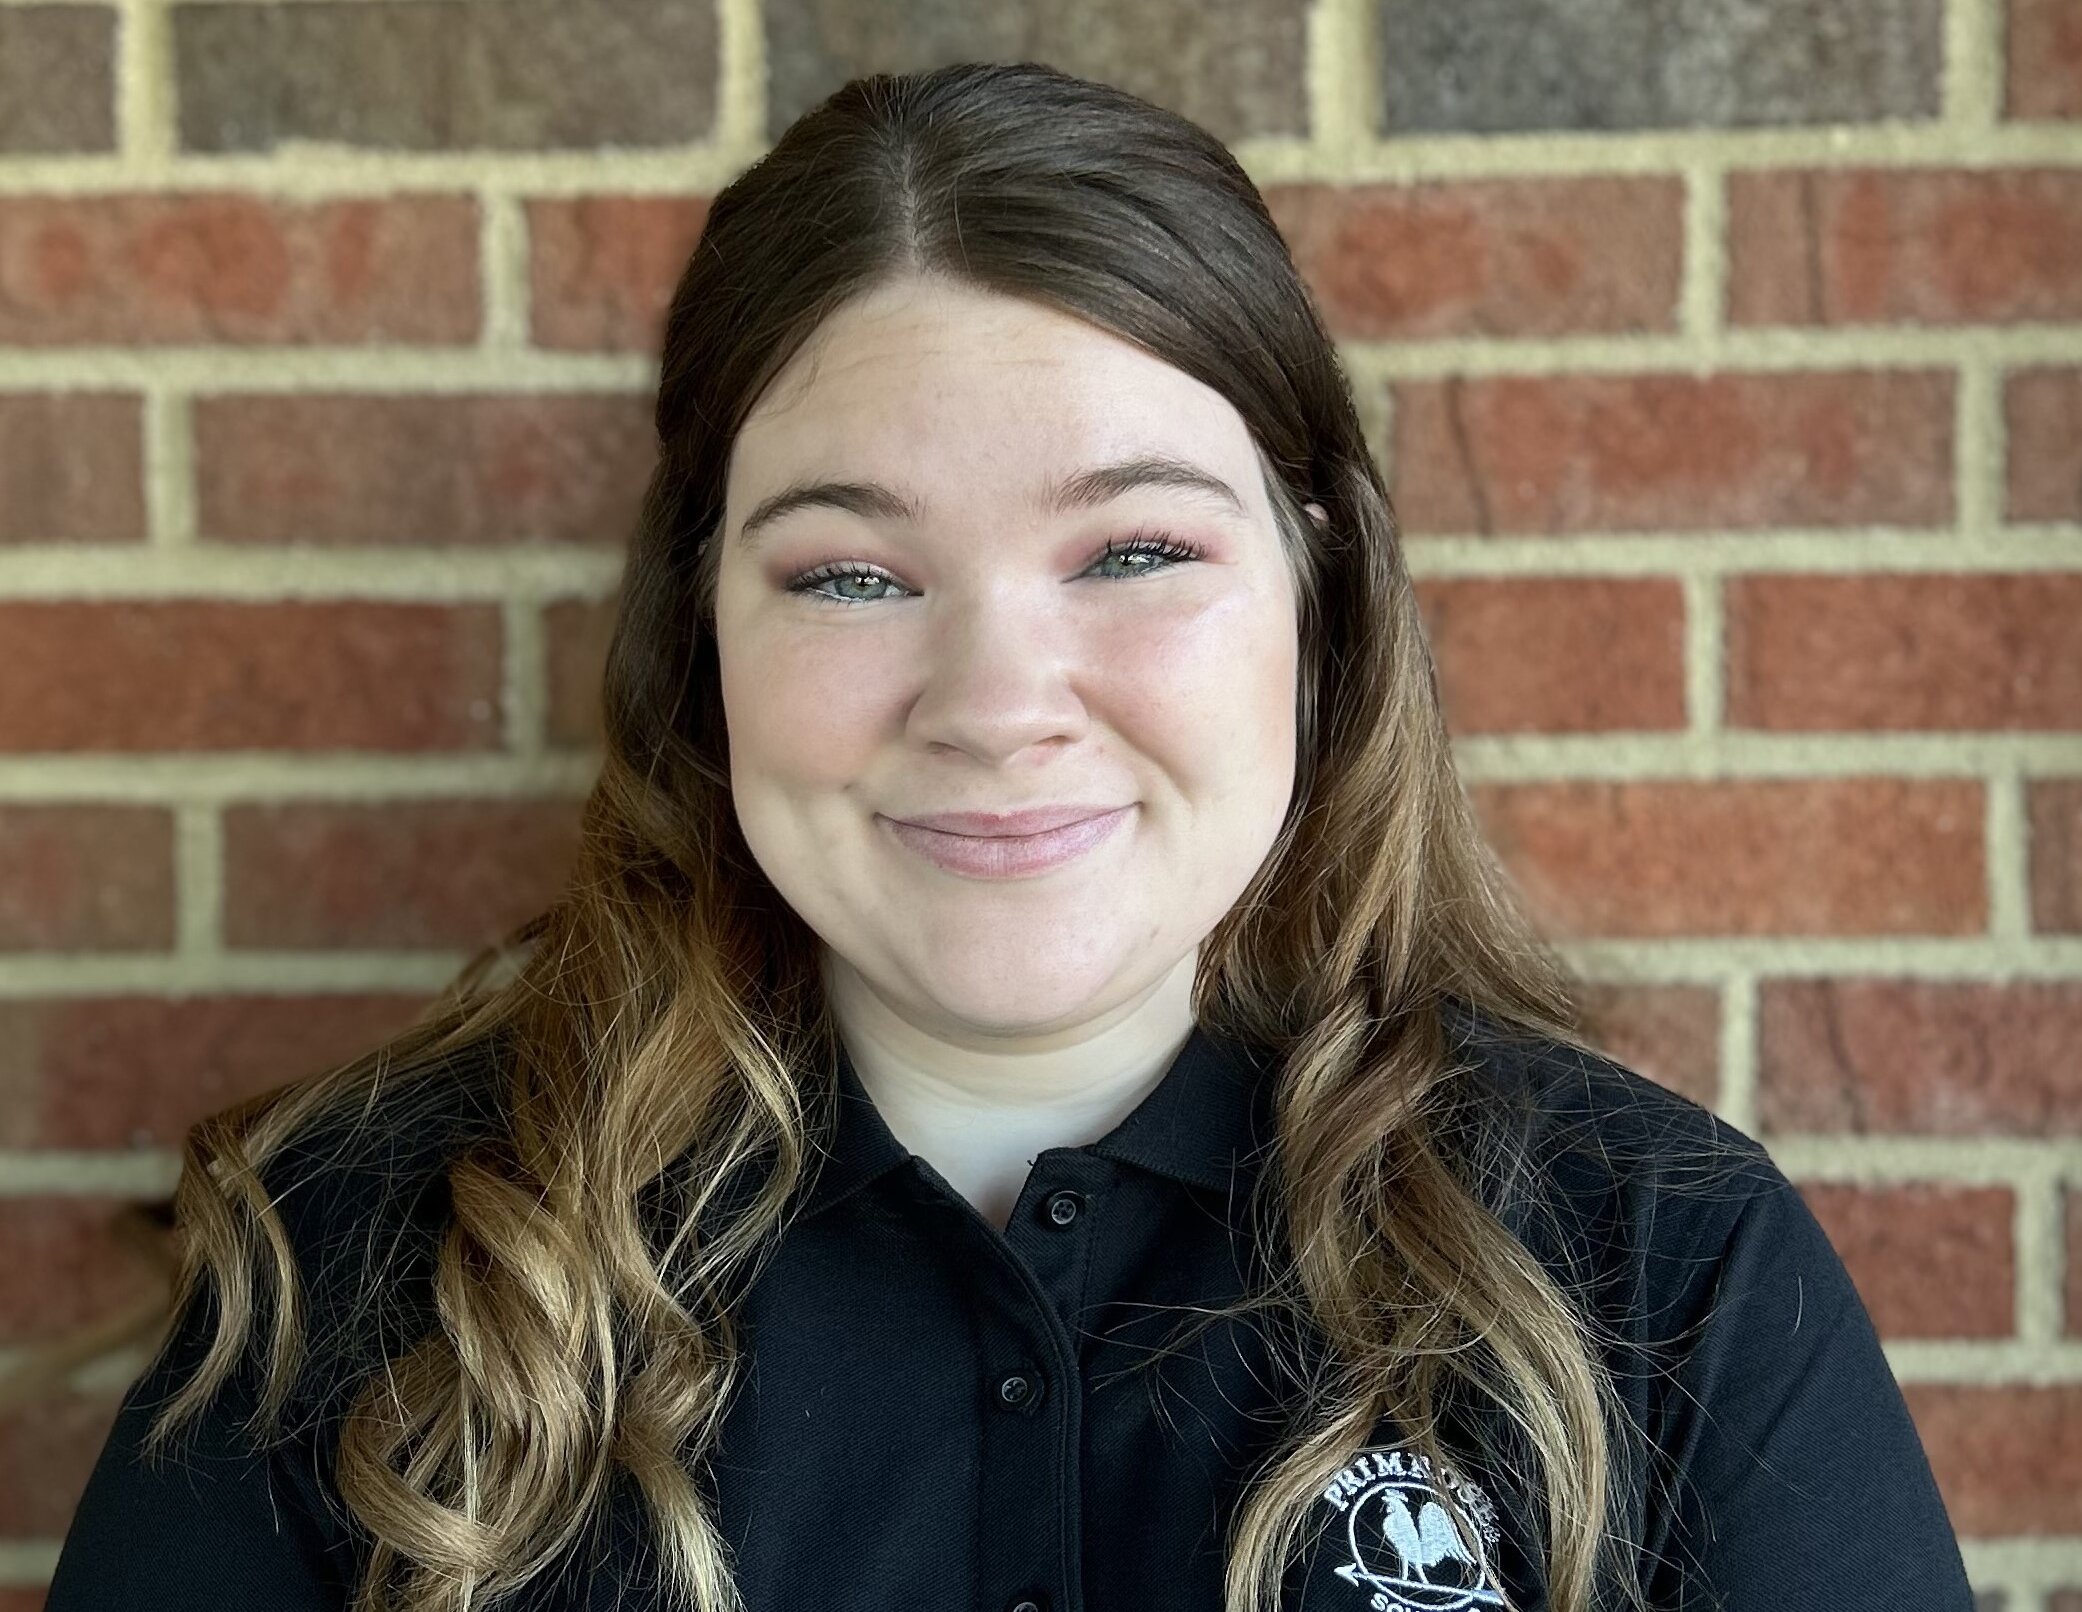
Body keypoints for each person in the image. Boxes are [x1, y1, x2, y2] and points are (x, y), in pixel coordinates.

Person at [44, 60, 1973, 1612]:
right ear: (698, 639)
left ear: (1317, 595)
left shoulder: (1656, 1270)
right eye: (851, 574)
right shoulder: (356, 1272)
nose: (993, 701)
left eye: (1131, 552)